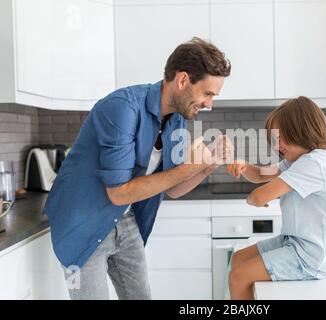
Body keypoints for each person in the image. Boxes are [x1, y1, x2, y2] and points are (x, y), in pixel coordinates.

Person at [43, 37, 231, 299]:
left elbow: (173, 189)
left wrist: (206, 167)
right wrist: (190, 167)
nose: (209, 104)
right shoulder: (122, 108)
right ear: (183, 80)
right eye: (208, 93)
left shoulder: (176, 118)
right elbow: (118, 192)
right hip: (82, 222)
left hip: (125, 220)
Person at [226, 96, 326, 300]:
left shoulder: (316, 164)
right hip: (297, 243)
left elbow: (258, 197)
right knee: (238, 259)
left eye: (281, 137)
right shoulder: (299, 161)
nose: (277, 145)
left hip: (316, 256)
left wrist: (258, 199)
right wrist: (244, 166)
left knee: (240, 276)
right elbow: (260, 175)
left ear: (302, 130)